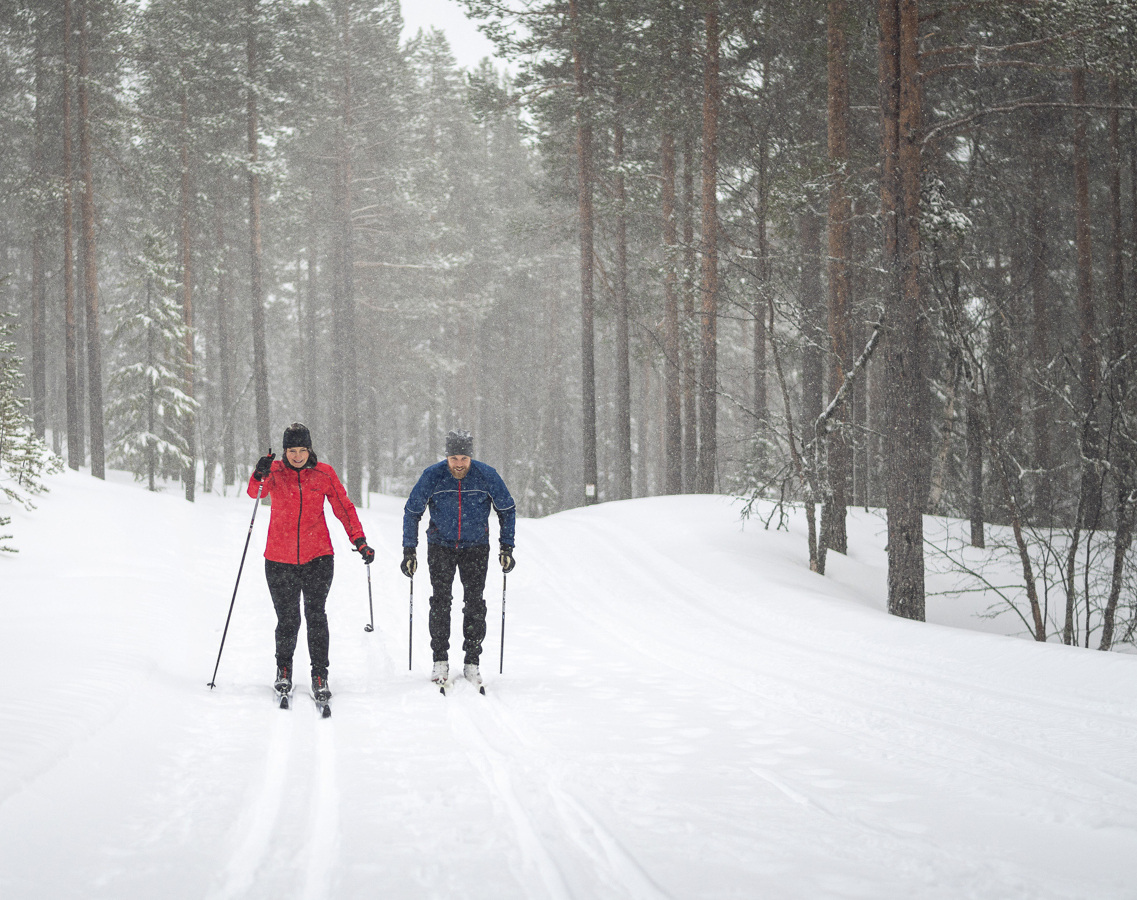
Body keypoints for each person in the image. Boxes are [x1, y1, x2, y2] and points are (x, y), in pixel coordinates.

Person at [249, 422, 374, 703]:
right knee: (288, 618)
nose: (296, 456)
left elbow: (344, 507)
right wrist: (259, 472)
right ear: (284, 451)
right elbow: (255, 492)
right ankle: (284, 669)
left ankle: (320, 673)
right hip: (279, 559)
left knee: (316, 615)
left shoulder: (323, 473)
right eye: (291, 450)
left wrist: (359, 540)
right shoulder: (276, 472)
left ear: (310, 449)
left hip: (318, 557)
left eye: (301, 450)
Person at [401, 429, 516, 688]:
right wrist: (410, 549)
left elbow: (507, 509)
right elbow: (412, 511)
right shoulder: (433, 475)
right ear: (447, 457)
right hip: (440, 546)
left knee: (474, 604)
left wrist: (506, 546)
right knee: (441, 602)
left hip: (475, 547)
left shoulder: (487, 475)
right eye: (454, 458)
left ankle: (472, 662)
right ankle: (440, 660)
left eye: (464, 458)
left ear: (471, 457)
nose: (459, 464)